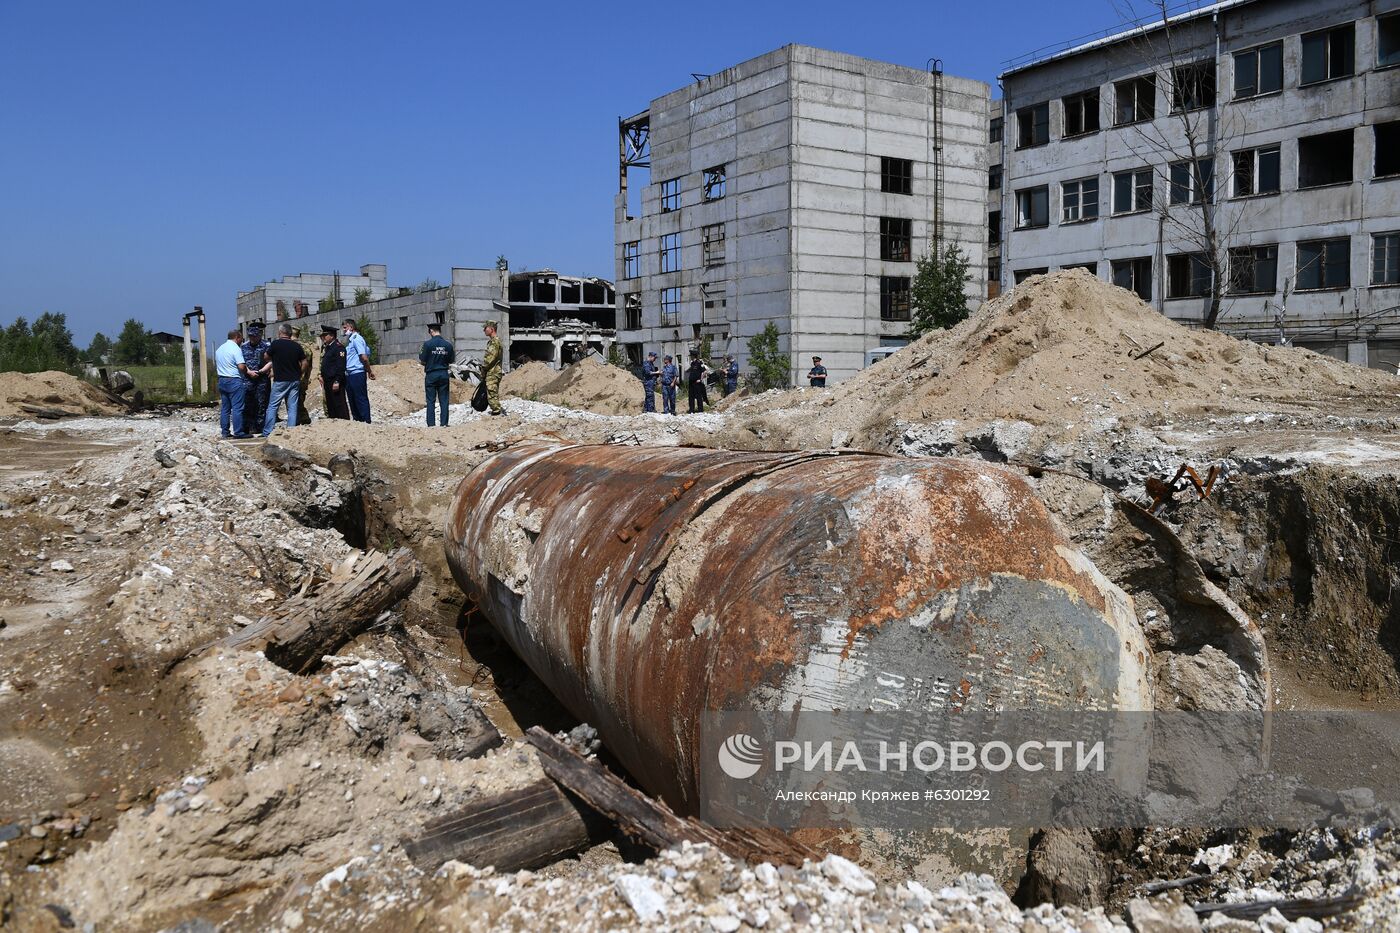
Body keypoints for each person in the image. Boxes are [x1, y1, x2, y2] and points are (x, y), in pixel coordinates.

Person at [261, 323, 309, 436]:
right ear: (290, 333)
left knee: (273, 406)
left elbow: (266, 357)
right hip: (294, 380)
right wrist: (299, 373)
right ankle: (291, 431)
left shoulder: (275, 344)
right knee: (292, 407)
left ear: (280, 332)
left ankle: (268, 432)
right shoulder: (296, 346)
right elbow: (305, 362)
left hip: (280, 380)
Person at [214, 329, 253, 438]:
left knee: (225, 408)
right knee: (237, 408)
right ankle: (239, 432)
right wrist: (247, 372)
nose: (242, 341)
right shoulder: (235, 349)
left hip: (222, 380)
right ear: (237, 337)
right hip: (234, 380)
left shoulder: (220, 349)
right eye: (241, 339)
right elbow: (241, 366)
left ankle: (225, 432)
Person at [420, 322, 456, 427]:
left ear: (431, 331)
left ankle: (431, 424)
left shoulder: (427, 344)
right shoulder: (448, 345)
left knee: (431, 400)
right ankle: (444, 423)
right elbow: (451, 360)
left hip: (431, 374)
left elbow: (422, 359)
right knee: (444, 400)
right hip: (443, 373)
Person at [342, 319, 376, 423]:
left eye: (345, 328)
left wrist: (369, 371)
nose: (343, 330)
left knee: (360, 399)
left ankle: (366, 421)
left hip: (357, 373)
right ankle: (358, 422)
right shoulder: (350, 340)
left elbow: (364, 357)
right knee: (352, 400)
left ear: (351, 327)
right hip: (350, 374)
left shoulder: (357, 339)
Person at [241, 325, 271, 432]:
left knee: (262, 403)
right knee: (248, 403)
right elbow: (241, 362)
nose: (252, 338)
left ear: (259, 335)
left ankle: (260, 426)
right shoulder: (244, 346)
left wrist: (262, 371)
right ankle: (248, 426)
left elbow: (271, 361)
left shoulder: (267, 345)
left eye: (254, 336)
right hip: (248, 379)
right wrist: (249, 372)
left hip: (262, 379)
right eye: (250, 336)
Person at [318, 325, 350, 420]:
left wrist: (337, 381)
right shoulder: (328, 348)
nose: (323, 337)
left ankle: (344, 422)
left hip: (335, 381)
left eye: (325, 335)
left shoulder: (338, 348)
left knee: (339, 404)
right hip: (327, 380)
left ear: (332, 336)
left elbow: (341, 366)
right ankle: (333, 422)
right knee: (330, 404)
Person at [482, 321, 504, 417]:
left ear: (491, 329)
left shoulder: (495, 342)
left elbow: (490, 359)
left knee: (492, 393)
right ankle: (496, 412)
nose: (484, 330)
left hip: (493, 371)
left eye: (485, 328)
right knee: (492, 393)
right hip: (493, 371)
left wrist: (483, 368)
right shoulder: (493, 341)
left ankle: (497, 413)